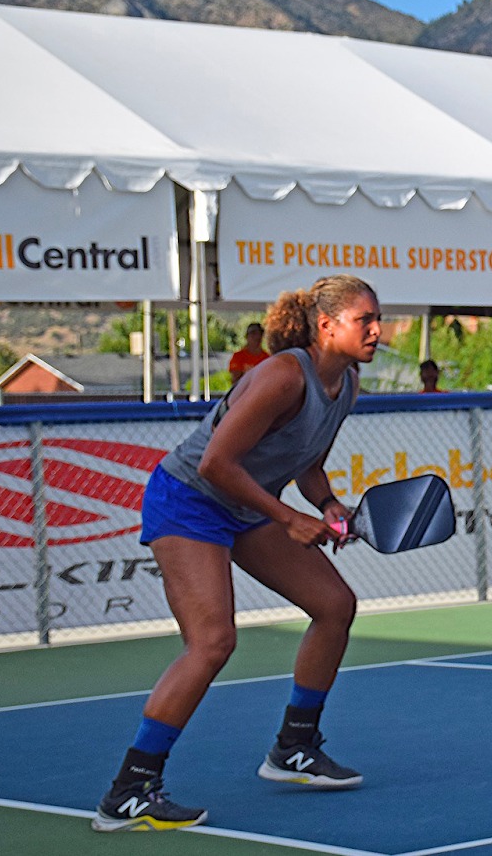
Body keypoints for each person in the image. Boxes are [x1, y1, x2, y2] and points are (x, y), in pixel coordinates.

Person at [92, 275, 379, 832]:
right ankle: (129, 789)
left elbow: (307, 461)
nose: (377, 329)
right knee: (214, 641)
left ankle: (294, 748)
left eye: (376, 318)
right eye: (364, 319)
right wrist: (289, 517)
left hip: (248, 506)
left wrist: (327, 505)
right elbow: (215, 464)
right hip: (189, 501)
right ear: (327, 326)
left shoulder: (346, 386)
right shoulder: (281, 376)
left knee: (334, 605)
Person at [228, 322, 269, 387]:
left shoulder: (267, 358)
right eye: (253, 334)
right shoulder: (238, 356)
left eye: (259, 334)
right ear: (247, 336)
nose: (256, 337)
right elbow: (235, 380)